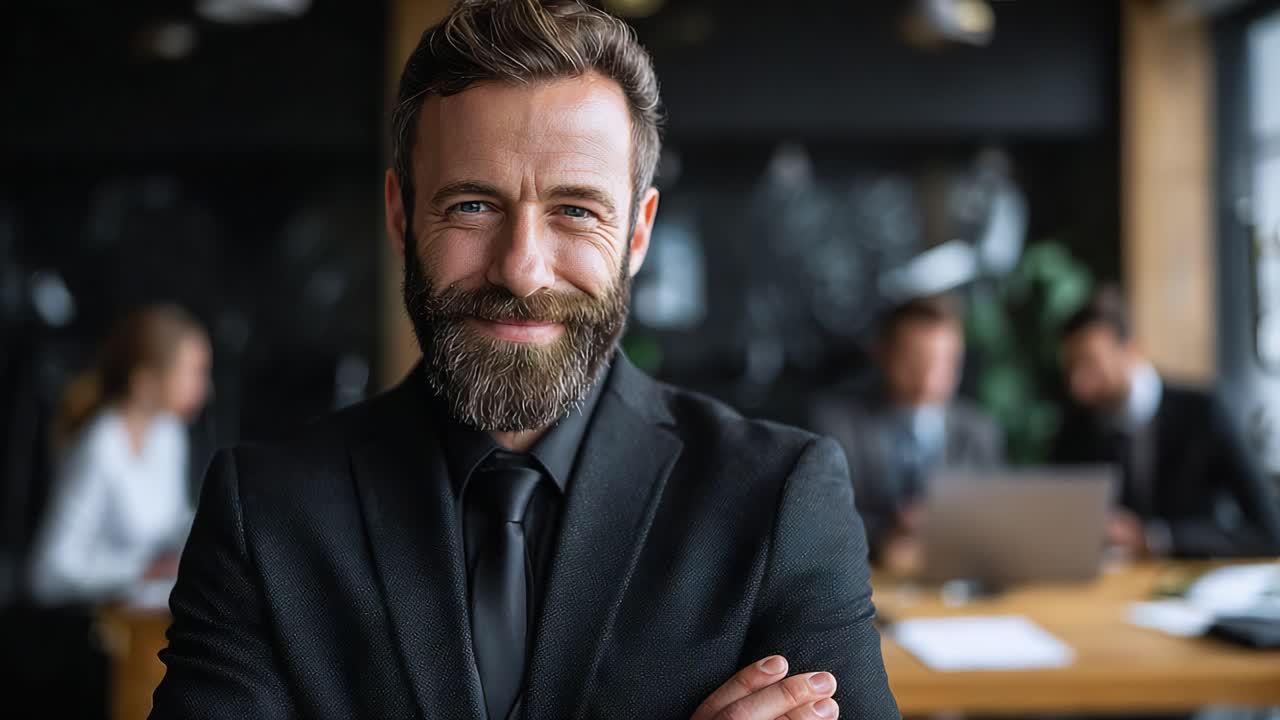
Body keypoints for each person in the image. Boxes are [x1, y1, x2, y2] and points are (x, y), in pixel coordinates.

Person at [150, 2, 899, 719]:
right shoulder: (264, 514)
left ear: (638, 234)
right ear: (400, 217)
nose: (522, 270)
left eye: (575, 210)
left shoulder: (779, 500)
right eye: (473, 206)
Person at [1054, 287, 1280, 558]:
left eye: (1090, 364)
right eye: (1071, 369)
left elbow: (1270, 529)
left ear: (1132, 350)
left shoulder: (1204, 413)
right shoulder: (1077, 427)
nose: (1078, 384)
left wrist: (1158, 539)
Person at [28, 304, 211, 605]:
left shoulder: (169, 433)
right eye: (194, 373)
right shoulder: (100, 446)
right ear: (147, 380)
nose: (205, 389)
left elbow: (172, 524)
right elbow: (48, 573)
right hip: (104, 631)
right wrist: (141, 570)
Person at [813, 295, 1003, 574]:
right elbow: (821, 519)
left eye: (944, 363)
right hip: (867, 578)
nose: (928, 377)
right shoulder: (838, 424)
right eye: (914, 360)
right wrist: (884, 538)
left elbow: (998, 517)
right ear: (883, 353)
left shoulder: (979, 430)